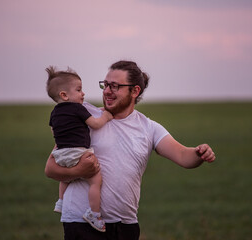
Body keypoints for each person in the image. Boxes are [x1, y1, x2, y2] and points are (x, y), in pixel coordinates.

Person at [45, 60, 216, 240]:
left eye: (115, 86)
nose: (107, 91)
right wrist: (79, 171)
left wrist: (199, 153)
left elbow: (183, 156)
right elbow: (50, 169)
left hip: (126, 226)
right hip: (81, 224)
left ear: (135, 91)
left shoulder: (149, 128)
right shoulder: (85, 116)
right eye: (106, 85)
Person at [46, 66, 113, 232]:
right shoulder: (77, 108)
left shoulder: (54, 113)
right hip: (79, 151)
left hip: (60, 153)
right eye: (79, 90)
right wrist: (106, 115)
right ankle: (94, 213)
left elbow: (54, 131)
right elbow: (96, 124)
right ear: (64, 95)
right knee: (95, 181)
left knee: (65, 177)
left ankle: (61, 201)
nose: (83, 93)